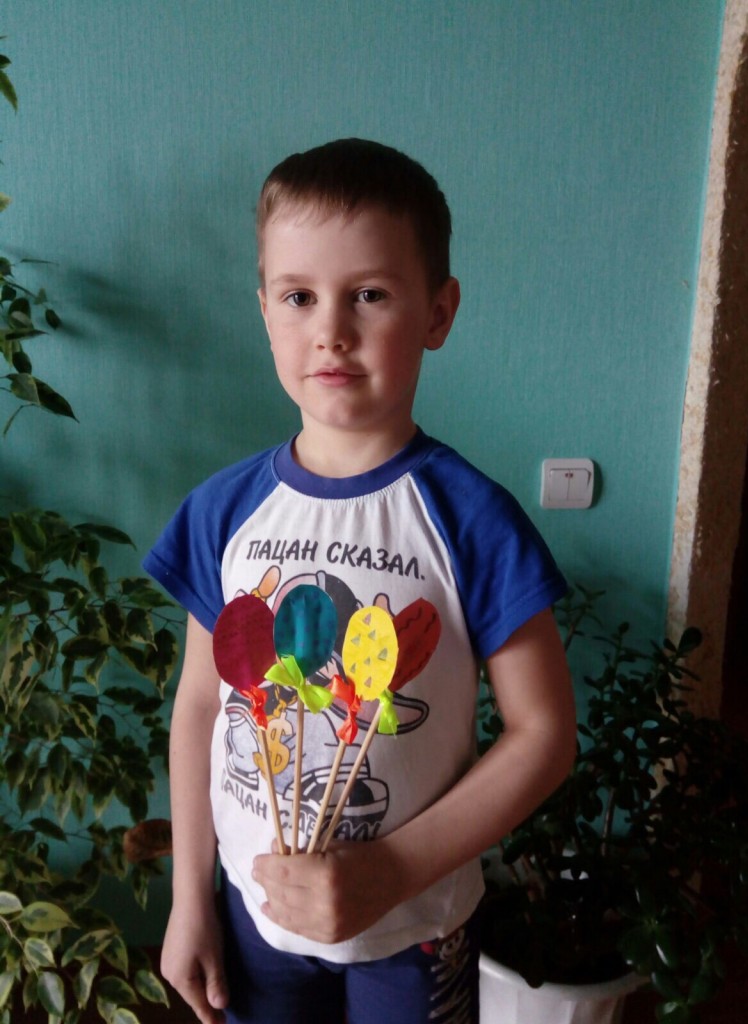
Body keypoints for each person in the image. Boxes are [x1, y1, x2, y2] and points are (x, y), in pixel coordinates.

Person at [143, 138, 576, 1024]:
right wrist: (191, 897)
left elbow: (544, 735)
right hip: (253, 916)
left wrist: (391, 870)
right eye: (299, 296)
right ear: (265, 310)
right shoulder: (223, 513)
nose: (331, 329)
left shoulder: (472, 520)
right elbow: (200, 707)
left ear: (438, 312)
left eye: (369, 294)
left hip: (414, 929)